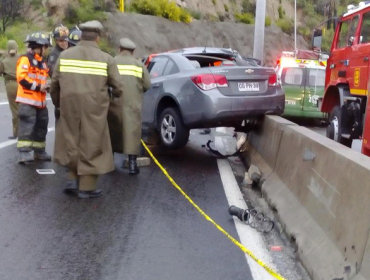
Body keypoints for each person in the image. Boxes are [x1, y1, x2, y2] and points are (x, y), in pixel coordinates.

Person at [50, 20, 124, 199]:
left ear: (81, 36)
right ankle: (87, 187)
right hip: (94, 109)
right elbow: (119, 88)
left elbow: (54, 85)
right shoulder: (106, 59)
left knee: (71, 139)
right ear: (97, 38)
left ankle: (71, 178)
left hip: (70, 107)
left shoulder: (65, 56)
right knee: (91, 144)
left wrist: (59, 103)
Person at [109, 38, 150, 174]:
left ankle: (110, 164)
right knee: (132, 133)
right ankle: (132, 165)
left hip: (114, 103)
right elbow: (147, 85)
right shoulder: (139, 65)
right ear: (133, 52)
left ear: (119, 49)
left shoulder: (112, 62)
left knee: (113, 132)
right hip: (133, 105)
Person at [16, 32, 52, 163]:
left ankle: (39, 151)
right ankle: (24, 153)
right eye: (46, 47)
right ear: (40, 46)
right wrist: (38, 87)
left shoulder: (42, 62)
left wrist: (46, 86)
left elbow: (42, 78)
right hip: (28, 101)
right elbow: (22, 78)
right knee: (27, 125)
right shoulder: (25, 59)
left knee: (42, 125)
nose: (47, 49)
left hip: (40, 102)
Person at [48, 24, 69, 123]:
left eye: (65, 40)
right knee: (60, 119)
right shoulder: (54, 53)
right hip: (60, 88)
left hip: (70, 89)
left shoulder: (70, 50)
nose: (64, 43)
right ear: (56, 41)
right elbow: (52, 72)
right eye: (61, 40)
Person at [0, 40, 20, 139]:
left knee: (15, 110)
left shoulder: (4, 61)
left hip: (10, 85)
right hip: (22, 85)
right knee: (24, 108)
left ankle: (16, 133)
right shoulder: (21, 59)